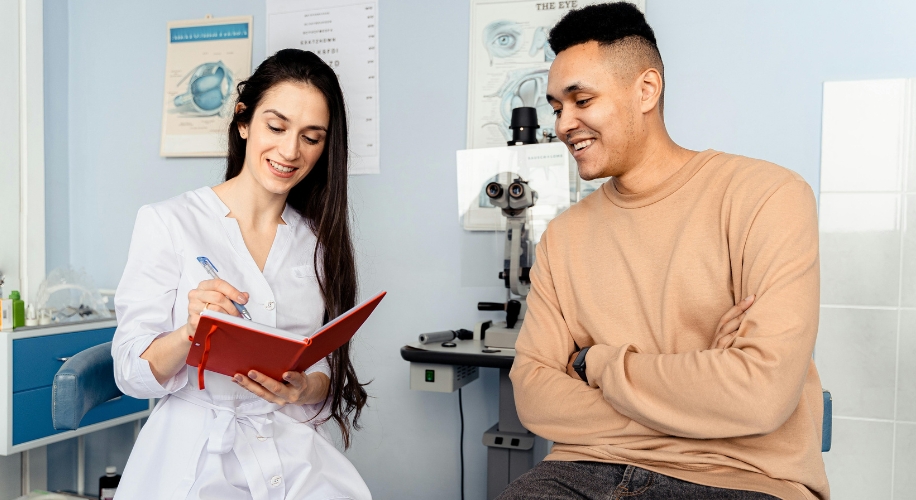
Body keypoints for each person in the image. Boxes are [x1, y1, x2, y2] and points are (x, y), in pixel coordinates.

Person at [501, 3, 827, 500]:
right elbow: (534, 395)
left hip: (741, 478)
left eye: (582, 100)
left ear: (646, 90)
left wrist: (597, 366)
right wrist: (701, 402)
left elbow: (759, 395)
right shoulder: (562, 238)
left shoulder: (768, 196)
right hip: (582, 470)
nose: (564, 123)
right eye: (556, 108)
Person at [111, 49, 371, 500]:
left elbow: (329, 367)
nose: (290, 151)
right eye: (276, 126)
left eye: (312, 137)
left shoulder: (318, 241)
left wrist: (304, 386)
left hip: (294, 453)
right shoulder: (169, 222)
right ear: (243, 121)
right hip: (197, 457)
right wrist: (188, 333)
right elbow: (131, 373)